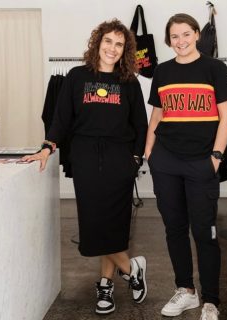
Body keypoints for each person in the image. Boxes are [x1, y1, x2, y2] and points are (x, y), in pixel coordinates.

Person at [22, 19, 148, 315]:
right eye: (108, 42)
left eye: (119, 44)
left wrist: (135, 159)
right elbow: (62, 117)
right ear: (97, 43)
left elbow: (140, 125)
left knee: (114, 224)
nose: (112, 49)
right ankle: (132, 269)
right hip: (86, 157)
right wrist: (47, 146)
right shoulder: (77, 76)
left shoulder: (128, 81)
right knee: (94, 223)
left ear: (125, 50)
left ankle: (105, 283)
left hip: (119, 157)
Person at [145, 13, 227, 320]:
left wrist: (216, 157)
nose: (180, 41)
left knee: (205, 232)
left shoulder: (215, 68)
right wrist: (149, 153)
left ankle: (211, 300)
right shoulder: (162, 71)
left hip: (202, 162)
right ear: (168, 40)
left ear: (196, 34)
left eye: (185, 34)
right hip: (166, 160)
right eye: (174, 37)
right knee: (174, 229)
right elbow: (157, 115)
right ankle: (185, 291)